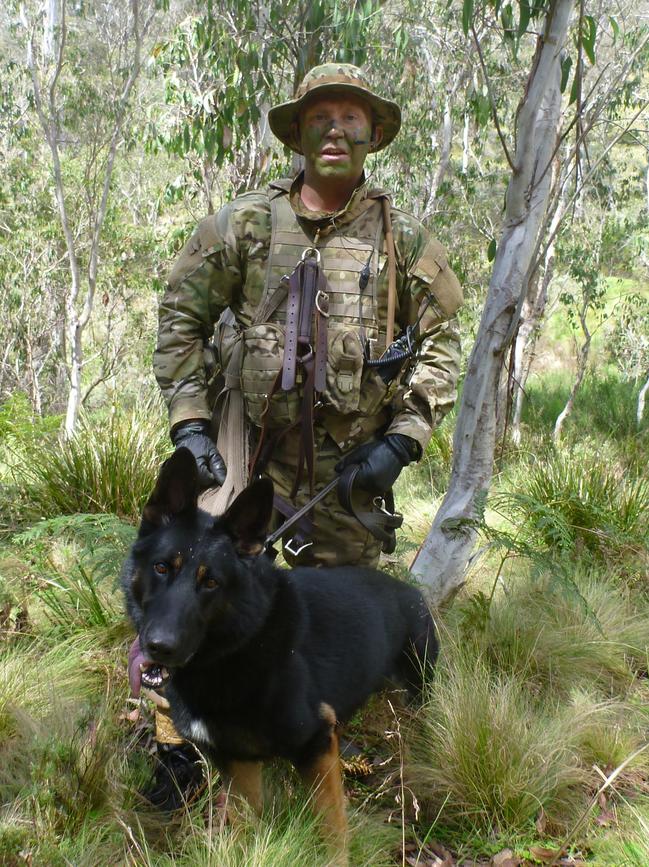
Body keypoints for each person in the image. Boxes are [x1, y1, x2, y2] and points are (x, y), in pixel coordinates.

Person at [141, 62, 463, 807]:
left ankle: (327, 740)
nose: (337, 128)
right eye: (323, 114)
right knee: (185, 590)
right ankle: (179, 749)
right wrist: (192, 425)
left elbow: (445, 344)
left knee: (350, 615)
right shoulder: (243, 224)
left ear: (373, 135)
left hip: (351, 469)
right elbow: (179, 319)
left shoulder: (404, 238)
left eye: (353, 117)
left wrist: (403, 438)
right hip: (243, 450)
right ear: (301, 129)